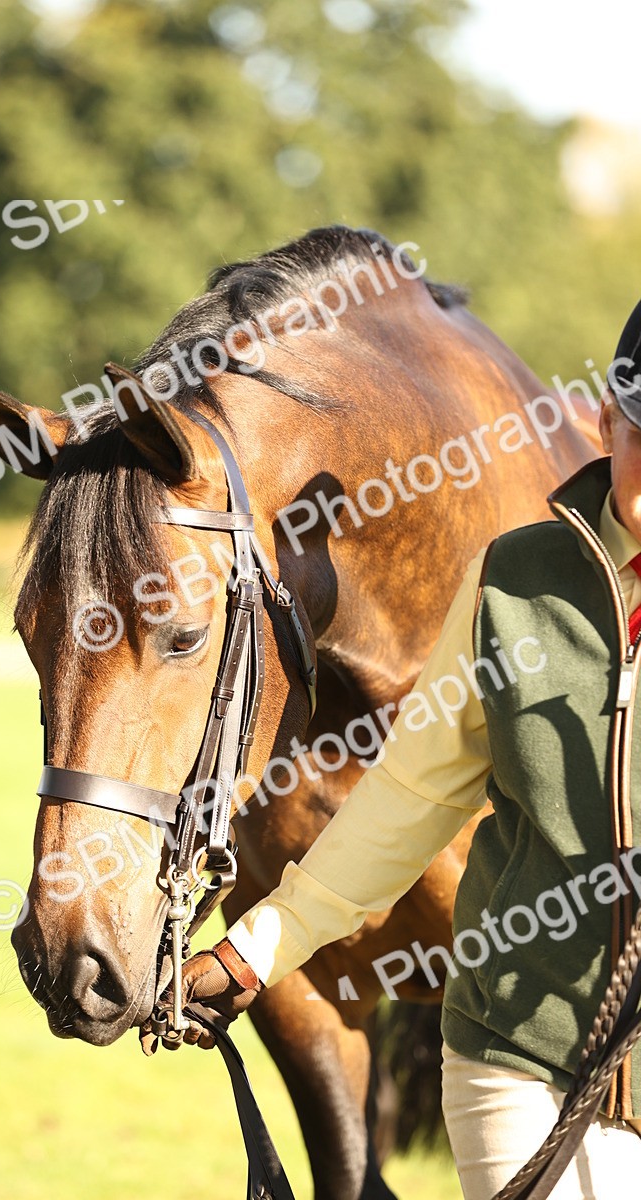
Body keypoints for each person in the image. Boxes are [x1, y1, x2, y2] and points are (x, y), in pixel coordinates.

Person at [141, 301, 641, 1200]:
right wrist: (256, 948)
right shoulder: (512, 583)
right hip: (519, 1059)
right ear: (608, 422)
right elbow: (408, 798)